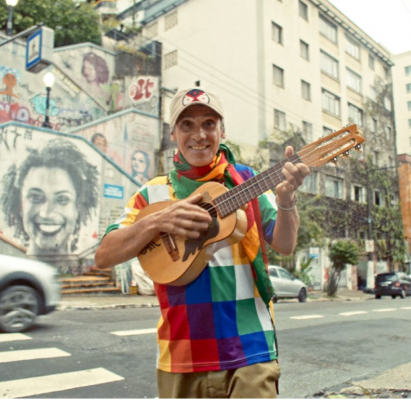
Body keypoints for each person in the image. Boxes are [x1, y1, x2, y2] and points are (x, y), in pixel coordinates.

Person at [95, 87, 310, 398]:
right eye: (187, 125)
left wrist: (287, 200)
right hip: (181, 354)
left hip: (251, 349)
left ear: (222, 131)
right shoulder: (152, 194)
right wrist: (157, 221)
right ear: (173, 134)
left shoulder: (246, 181)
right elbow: (104, 254)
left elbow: (285, 244)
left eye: (209, 123)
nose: (199, 134)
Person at [0, 138, 99, 257]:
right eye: (35, 197)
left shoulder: (87, 272)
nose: (46, 213)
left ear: (78, 208)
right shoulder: (10, 269)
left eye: (62, 199)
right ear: (19, 205)